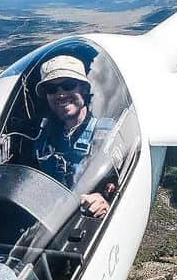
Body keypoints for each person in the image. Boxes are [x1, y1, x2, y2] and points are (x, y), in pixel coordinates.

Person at [32, 54, 116, 218]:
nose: (61, 94)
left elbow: (120, 180)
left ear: (84, 88)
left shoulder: (108, 134)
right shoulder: (39, 135)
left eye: (68, 85)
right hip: (48, 223)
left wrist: (105, 199)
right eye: (52, 89)